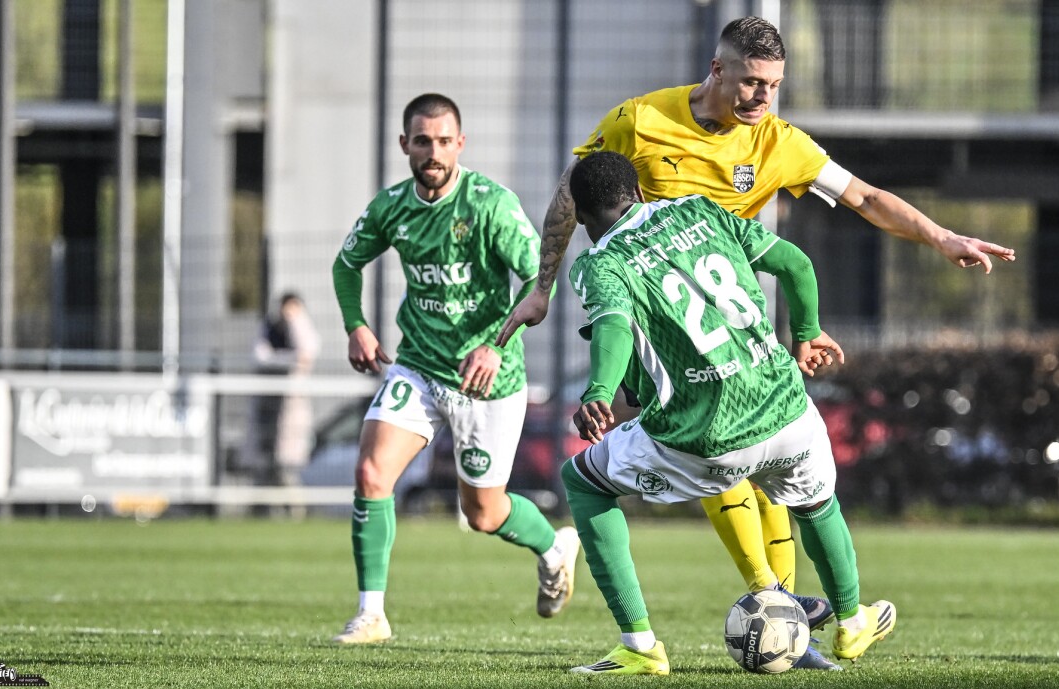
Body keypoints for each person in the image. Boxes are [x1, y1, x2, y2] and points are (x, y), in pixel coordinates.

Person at [496, 15, 1015, 640]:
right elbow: (574, 193)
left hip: (732, 314)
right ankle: (780, 601)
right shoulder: (641, 119)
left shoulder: (778, 142)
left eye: (773, 85)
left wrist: (940, 236)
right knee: (728, 451)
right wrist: (543, 285)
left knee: (760, 466)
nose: (762, 98)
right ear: (717, 70)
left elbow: (866, 197)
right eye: (751, 82)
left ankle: (783, 608)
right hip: (653, 324)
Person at [561, 151, 895, 675]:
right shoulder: (701, 211)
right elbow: (796, 264)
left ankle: (641, 646)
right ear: (641, 193)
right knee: (816, 503)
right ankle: (852, 621)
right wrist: (806, 332)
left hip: (706, 439)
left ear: (580, 216)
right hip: (787, 414)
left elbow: (614, 328)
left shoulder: (601, 263)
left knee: (582, 481)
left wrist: (597, 391)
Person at [329, 93, 581, 644]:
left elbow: (541, 276)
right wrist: (357, 324)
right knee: (372, 474)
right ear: (405, 146)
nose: (434, 151)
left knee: (485, 513)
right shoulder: (391, 207)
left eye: (444, 141)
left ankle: (555, 547)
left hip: (486, 380)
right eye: (423, 141)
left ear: (460, 144)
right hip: (418, 365)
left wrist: (496, 344)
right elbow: (347, 264)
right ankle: (372, 613)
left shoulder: (490, 204)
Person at [249, 291, 320, 487]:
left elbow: (306, 353)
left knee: (289, 466)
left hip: (291, 405)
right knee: (263, 459)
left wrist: (296, 321)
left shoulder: (302, 328)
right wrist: (286, 358)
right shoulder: (270, 327)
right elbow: (260, 356)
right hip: (268, 404)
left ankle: (294, 511)